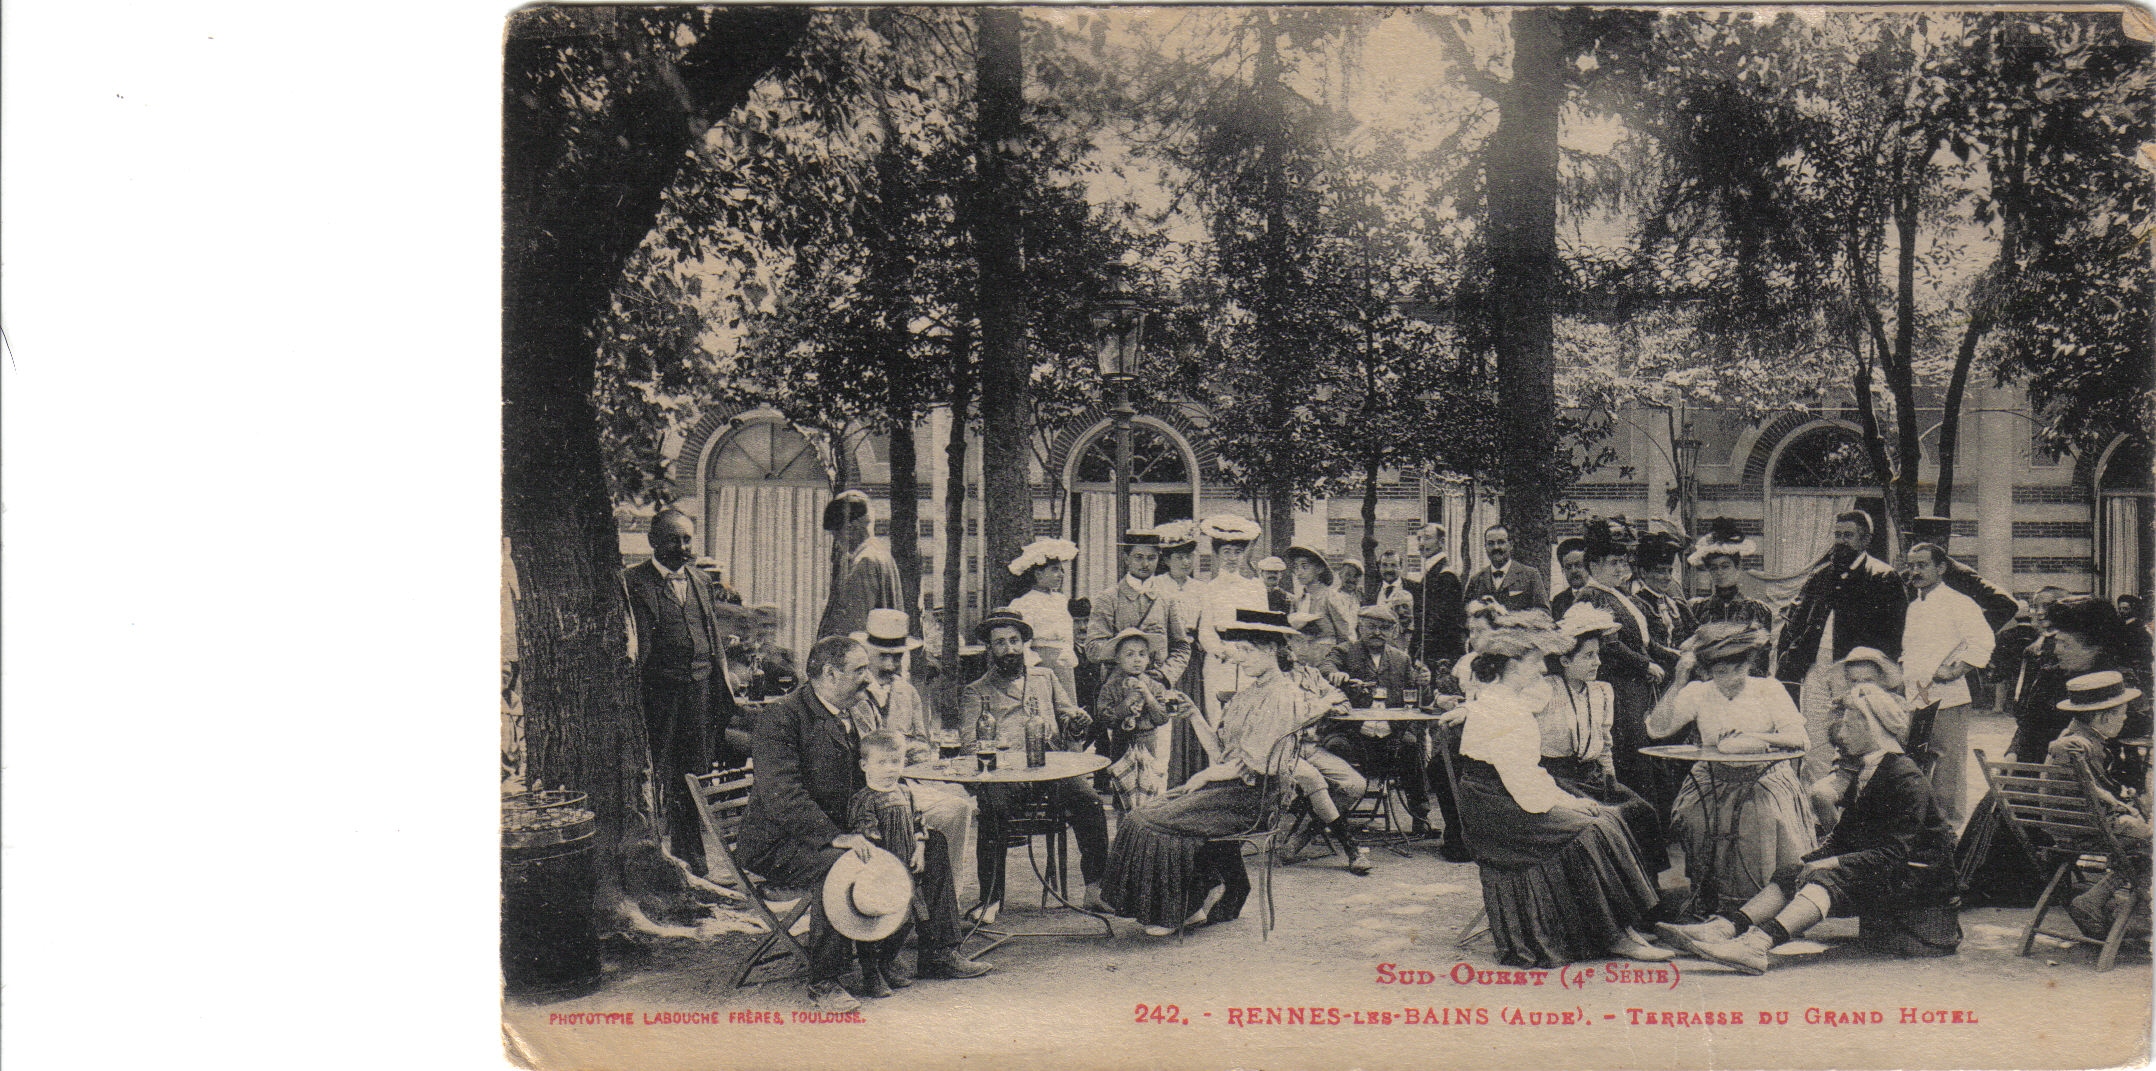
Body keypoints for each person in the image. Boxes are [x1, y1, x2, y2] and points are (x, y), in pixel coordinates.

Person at [739, 637, 991, 1012]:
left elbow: (872, 777)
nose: (867, 678)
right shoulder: (781, 718)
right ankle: (825, 979)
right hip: (782, 842)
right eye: (859, 670)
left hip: (846, 829)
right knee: (843, 866)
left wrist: (904, 828)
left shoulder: (852, 711)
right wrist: (835, 836)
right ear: (829, 674)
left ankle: (939, 951)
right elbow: (782, 795)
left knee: (932, 844)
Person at [1657, 693, 1962, 973]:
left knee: (1825, 876)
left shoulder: (1905, 777)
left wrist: (1825, 865)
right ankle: (1724, 928)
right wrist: (1810, 861)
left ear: (1875, 726)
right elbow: (1846, 837)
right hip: (1890, 870)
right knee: (1794, 871)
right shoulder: (1871, 769)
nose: (1841, 731)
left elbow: (1894, 853)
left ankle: (1757, 945)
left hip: (1918, 879)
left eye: (1852, 721)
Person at [1100, 609, 1351, 936]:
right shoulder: (1249, 694)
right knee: (1141, 813)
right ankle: (1186, 905)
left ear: (1271, 651)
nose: (1239, 659)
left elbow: (1260, 763)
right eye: (1239, 651)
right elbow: (1222, 753)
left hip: (1255, 797)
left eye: (1247, 651)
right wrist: (1193, 716)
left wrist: (1204, 777)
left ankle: (1180, 909)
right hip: (1232, 788)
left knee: (1152, 820)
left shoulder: (1281, 694)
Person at [1451, 611, 1672, 967]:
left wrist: (1568, 801)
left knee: (1606, 818)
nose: (1542, 669)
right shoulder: (1503, 707)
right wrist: (1569, 803)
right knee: (1593, 827)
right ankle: (1615, 934)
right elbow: (1523, 783)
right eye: (1536, 661)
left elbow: (1525, 776)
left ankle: (1623, 928)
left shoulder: (1505, 700)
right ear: (1512, 663)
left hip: (1504, 797)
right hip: (1497, 811)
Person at [1646, 622, 1818, 911]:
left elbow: (1801, 741)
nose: (1730, 679)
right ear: (1707, 671)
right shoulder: (1698, 692)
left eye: (1737, 669)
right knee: (1693, 816)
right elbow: (1657, 730)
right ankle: (1708, 896)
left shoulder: (1768, 689)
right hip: (1712, 777)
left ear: (1749, 664)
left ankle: (1761, 904)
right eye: (1720, 672)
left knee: (1757, 816)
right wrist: (1678, 683)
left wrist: (1755, 738)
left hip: (1765, 776)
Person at [958, 609, 1107, 923]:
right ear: (989, 648)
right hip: (1006, 776)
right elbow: (971, 747)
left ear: (1024, 642)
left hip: (1049, 770)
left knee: (1090, 801)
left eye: (1014, 640)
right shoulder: (976, 691)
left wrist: (1076, 721)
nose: (1009, 649)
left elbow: (1068, 718)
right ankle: (990, 899)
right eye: (1000, 643)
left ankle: (1096, 889)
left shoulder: (1046, 678)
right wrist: (1010, 747)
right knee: (992, 806)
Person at [622, 509, 743, 873]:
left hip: (700, 692)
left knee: (693, 774)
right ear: (653, 541)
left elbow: (710, 635)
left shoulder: (701, 581)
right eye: (674, 539)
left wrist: (721, 681)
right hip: (658, 696)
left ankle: (694, 861)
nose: (682, 546)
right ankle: (656, 860)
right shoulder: (632, 582)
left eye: (688, 538)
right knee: (658, 774)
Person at [1318, 604, 1467, 859]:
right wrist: (1335, 675)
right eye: (1371, 626)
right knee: (1335, 748)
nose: (1377, 632)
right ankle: (1334, 819)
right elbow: (1326, 667)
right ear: (1359, 627)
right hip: (1353, 735)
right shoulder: (1344, 652)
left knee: (1412, 745)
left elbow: (1422, 699)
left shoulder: (1401, 659)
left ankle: (1420, 816)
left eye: (1384, 627)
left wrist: (1424, 684)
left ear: (1393, 630)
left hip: (1389, 738)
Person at [848, 608, 979, 894]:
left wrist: (921, 755)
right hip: (870, 788)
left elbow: (922, 743)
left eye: (897, 656)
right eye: (882, 656)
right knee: (944, 810)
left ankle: (947, 898)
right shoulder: (854, 695)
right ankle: (905, 896)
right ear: (865, 654)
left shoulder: (907, 693)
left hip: (907, 782)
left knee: (959, 804)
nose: (890, 664)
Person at [1774, 509, 1906, 781]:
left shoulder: (1884, 578)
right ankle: (1818, 800)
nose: (1841, 541)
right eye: (1837, 535)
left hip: (1856, 672)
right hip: (1817, 668)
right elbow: (1797, 621)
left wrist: (1872, 674)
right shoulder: (1820, 577)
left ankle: (1852, 801)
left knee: (1856, 734)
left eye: (1848, 535)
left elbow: (1894, 636)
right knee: (1816, 735)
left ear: (1865, 540)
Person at [1543, 604, 1669, 876]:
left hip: (1593, 778)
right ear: (1565, 660)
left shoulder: (1601, 692)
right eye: (1588, 656)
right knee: (1608, 823)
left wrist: (1609, 774)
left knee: (1642, 812)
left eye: (1597, 655)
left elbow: (1603, 739)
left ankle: (1650, 891)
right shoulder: (1545, 691)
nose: (1597, 663)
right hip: (1557, 780)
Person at [1574, 521, 1671, 810]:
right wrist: (1645, 666)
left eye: (1623, 562)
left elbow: (1644, 641)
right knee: (1632, 754)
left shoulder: (1619, 596)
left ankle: (1653, 823)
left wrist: (1674, 655)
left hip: (1637, 690)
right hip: (1619, 689)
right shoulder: (1592, 596)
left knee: (1647, 751)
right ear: (1594, 564)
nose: (1621, 568)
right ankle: (1636, 823)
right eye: (1614, 563)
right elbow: (1610, 645)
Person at [1900, 541, 1996, 826]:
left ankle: (1949, 827)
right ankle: (1926, 827)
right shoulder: (1915, 606)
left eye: (1922, 565)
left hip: (1948, 697)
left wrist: (1957, 669)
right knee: (1920, 761)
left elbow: (1984, 641)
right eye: (1911, 565)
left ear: (1941, 568)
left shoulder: (1959, 602)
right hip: (1916, 694)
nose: (1915, 571)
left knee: (1947, 765)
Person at [845, 730, 945, 999]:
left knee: (906, 919)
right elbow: (868, 841)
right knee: (876, 922)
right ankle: (871, 974)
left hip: (907, 870)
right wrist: (882, 868)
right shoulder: (865, 800)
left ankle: (887, 963)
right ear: (865, 765)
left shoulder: (905, 791)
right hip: (880, 872)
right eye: (882, 763)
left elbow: (917, 823)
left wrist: (920, 849)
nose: (890, 769)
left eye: (896, 762)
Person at [2011, 596, 2141, 761]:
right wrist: (2013, 751)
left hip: (2095, 766)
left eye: (2066, 645)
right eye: (2056, 642)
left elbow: (2133, 733)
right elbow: (2029, 725)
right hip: (2043, 764)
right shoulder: (2050, 675)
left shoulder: (2119, 682)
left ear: (2096, 649)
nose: (2056, 651)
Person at [1095, 628, 1194, 811]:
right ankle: (1124, 835)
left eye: (1142, 654)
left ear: (1149, 658)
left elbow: (1162, 717)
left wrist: (1147, 696)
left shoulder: (1154, 686)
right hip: (1121, 744)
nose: (1137, 659)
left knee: (1148, 795)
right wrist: (1127, 702)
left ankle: (1142, 837)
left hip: (1147, 743)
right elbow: (1105, 718)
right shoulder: (1111, 687)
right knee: (1123, 798)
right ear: (1117, 658)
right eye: (1129, 655)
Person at [1142, 521, 1206, 786]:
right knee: (1165, 713)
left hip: (1193, 658)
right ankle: (1165, 779)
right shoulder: (1155, 586)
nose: (1185, 562)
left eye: (1189, 556)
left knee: (1190, 711)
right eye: (1179, 556)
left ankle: (1193, 775)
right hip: (1165, 659)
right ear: (1166, 560)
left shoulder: (1201, 588)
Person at [1192, 515, 1270, 724]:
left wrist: (1249, 652)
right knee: (1218, 721)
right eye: (1226, 552)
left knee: (1250, 721)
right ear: (1217, 555)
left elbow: (1263, 628)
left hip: (1249, 661)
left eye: (1237, 552)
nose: (1232, 557)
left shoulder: (1255, 587)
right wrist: (1222, 650)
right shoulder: (1208, 589)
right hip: (1220, 663)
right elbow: (1206, 631)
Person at [1685, 518, 1773, 676]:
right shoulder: (1697, 608)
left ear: (1737, 567)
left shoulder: (1758, 610)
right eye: (1714, 568)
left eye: (1725, 566)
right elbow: (1691, 656)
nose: (1719, 573)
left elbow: (1761, 661)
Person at [816, 490, 902, 642]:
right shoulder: (882, 554)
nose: (837, 542)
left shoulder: (864, 562)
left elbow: (855, 630)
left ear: (850, 529)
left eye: (837, 534)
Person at [1005, 538, 1081, 698]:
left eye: (1061, 570)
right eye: (1054, 570)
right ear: (1038, 574)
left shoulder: (1061, 600)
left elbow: (1067, 635)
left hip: (1064, 663)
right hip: (1041, 664)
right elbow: (1024, 642)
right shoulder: (1026, 603)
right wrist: (1034, 666)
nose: (1061, 575)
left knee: (1067, 708)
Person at [1403, 523, 1467, 679]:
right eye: (1419, 539)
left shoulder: (1445, 574)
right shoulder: (1432, 571)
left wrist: (1421, 653)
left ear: (1442, 541)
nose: (1422, 543)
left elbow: (1440, 620)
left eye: (1428, 538)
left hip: (1439, 653)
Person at [1630, 531, 1696, 666]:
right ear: (1643, 572)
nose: (1667, 577)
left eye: (1669, 571)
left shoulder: (1677, 605)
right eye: (1660, 571)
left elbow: (1697, 632)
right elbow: (1645, 645)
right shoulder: (1634, 605)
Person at [1286, 544, 1357, 665]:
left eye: (1304, 566)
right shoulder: (1298, 600)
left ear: (1319, 569)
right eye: (1296, 568)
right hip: (1302, 663)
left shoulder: (1330, 597)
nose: (1299, 572)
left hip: (1326, 662)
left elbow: (1346, 635)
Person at [1464, 523, 1550, 613]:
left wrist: (1510, 619)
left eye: (1501, 542)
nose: (1496, 547)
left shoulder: (1530, 575)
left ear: (1511, 545)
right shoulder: (1476, 579)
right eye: (1490, 543)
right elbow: (1466, 614)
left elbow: (1544, 613)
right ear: (1485, 547)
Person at [1548, 537, 1591, 620]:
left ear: (1589, 566)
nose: (1573, 571)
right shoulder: (1559, 601)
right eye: (1568, 567)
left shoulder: (1602, 595)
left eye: (1578, 565)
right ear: (1562, 570)